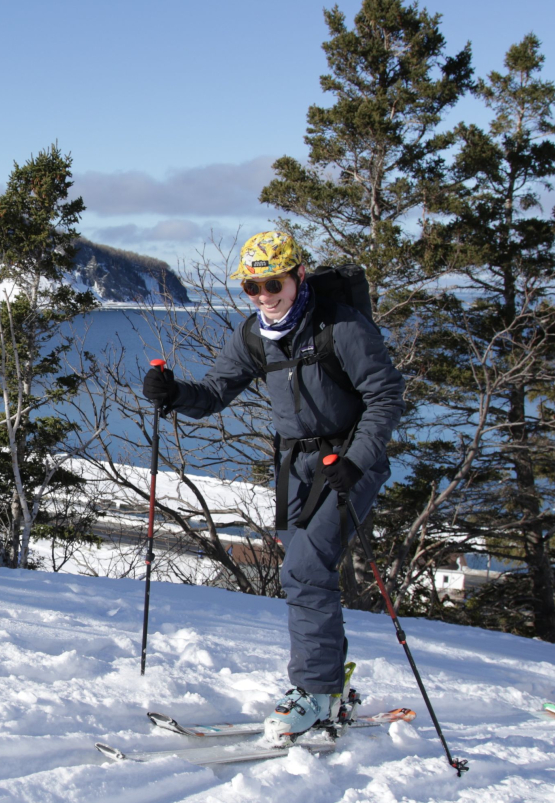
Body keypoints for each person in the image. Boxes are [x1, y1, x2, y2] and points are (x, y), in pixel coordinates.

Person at [141, 230, 405, 742]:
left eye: (273, 283)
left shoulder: (341, 327)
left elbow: (386, 397)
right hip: (298, 468)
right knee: (303, 567)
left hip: (349, 462)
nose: (264, 296)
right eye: (252, 287)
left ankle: (315, 692)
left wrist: (357, 460)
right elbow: (216, 391)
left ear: (298, 276)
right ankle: (329, 680)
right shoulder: (255, 335)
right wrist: (173, 394)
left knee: (305, 569)